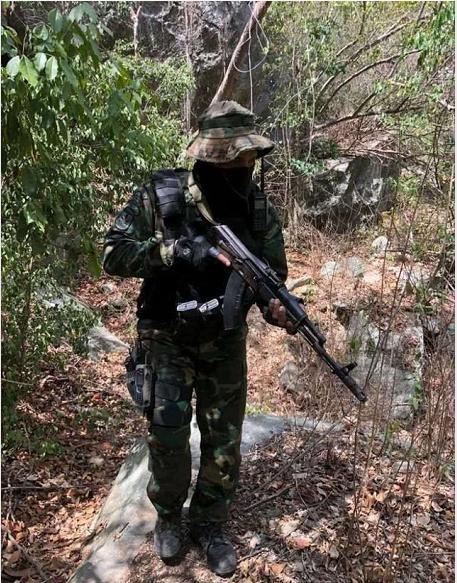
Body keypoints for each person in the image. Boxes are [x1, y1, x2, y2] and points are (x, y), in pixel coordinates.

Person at [103, 101, 290, 577]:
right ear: (211, 157)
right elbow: (113, 254)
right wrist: (173, 251)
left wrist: (277, 309)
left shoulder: (258, 209)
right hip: (166, 337)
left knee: (223, 438)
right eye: (235, 159)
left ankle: (209, 523)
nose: (244, 168)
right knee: (168, 435)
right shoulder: (164, 194)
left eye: (249, 159)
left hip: (224, 341)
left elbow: (273, 277)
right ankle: (169, 516)